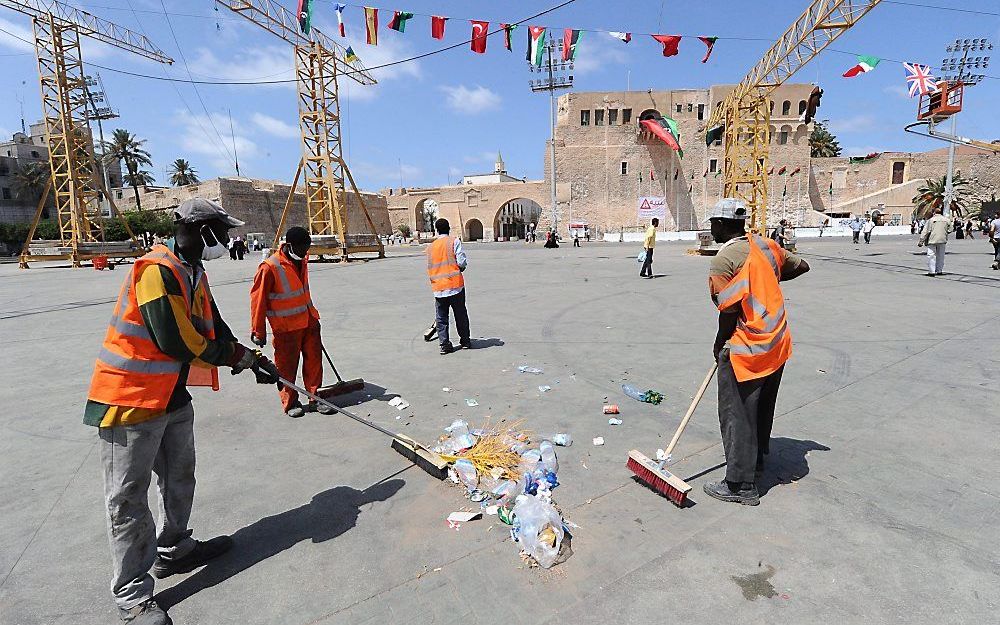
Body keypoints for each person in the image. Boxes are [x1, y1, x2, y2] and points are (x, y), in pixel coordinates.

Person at [85, 198, 280, 625]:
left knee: (179, 477)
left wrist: (252, 359)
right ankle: (133, 595)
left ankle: (174, 549)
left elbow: (213, 324)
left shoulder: (193, 270)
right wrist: (235, 359)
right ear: (199, 228)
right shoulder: (157, 271)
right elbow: (176, 341)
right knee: (127, 500)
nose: (227, 240)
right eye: (221, 232)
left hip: (171, 397)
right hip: (130, 399)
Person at [703, 198, 810, 506]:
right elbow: (802, 265)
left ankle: (739, 484)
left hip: (747, 349)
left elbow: (727, 309)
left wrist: (718, 343)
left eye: (713, 224)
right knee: (761, 409)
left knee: (737, 414)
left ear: (722, 225)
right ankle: (757, 462)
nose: (711, 229)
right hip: (777, 343)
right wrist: (770, 278)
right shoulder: (765, 246)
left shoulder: (724, 260)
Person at [250, 227, 332, 418]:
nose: (305, 253)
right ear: (289, 246)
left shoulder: (301, 259)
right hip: (286, 327)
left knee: (314, 362)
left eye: (307, 249)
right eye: (302, 249)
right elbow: (258, 300)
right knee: (286, 366)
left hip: (309, 320)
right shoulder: (270, 267)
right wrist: (258, 331)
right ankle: (291, 401)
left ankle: (315, 397)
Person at [427, 218, 470, 355]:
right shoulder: (454, 241)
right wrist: (461, 268)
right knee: (460, 314)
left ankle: (444, 345)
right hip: (455, 285)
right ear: (449, 228)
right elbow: (461, 261)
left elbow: (431, 266)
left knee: (441, 318)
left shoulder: (431, 247)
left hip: (438, 288)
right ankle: (465, 341)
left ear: (437, 230)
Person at [918, 207, 953, 276]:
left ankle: (932, 271)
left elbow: (925, 231)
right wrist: (945, 232)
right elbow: (951, 229)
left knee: (931, 255)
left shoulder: (931, 220)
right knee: (941, 256)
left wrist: (921, 241)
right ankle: (939, 270)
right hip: (942, 240)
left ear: (934, 213)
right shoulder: (946, 220)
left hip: (932, 240)